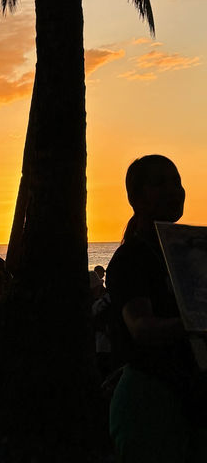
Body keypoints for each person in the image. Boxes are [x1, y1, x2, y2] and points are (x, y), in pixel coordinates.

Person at [106, 155, 207, 462]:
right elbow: (141, 328)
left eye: (177, 181)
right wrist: (194, 321)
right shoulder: (131, 258)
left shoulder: (192, 254)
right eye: (160, 183)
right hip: (151, 400)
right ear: (135, 198)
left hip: (192, 394)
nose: (173, 190)